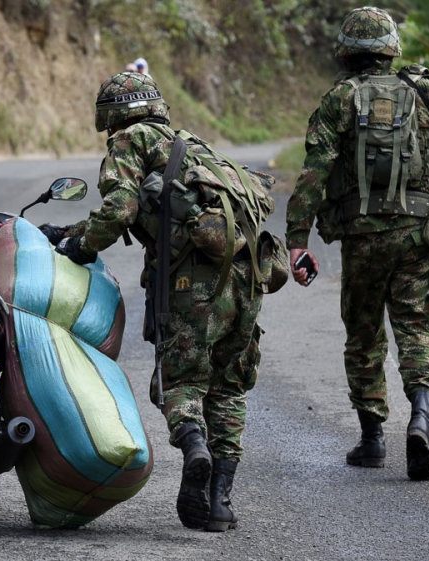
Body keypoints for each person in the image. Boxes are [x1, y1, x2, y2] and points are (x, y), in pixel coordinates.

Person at [40, 71, 275, 531]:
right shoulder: (194, 148)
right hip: (248, 278)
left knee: (181, 379)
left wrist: (81, 249)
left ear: (113, 115)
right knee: (229, 385)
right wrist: (70, 232)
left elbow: (121, 209)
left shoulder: (130, 141)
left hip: (192, 282)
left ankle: (194, 447)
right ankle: (220, 502)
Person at [285, 7, 429, 480]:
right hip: (420, 233)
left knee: (364, 335)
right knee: (417, 328)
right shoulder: (424, 91)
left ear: (346, 52)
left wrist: (297, 239)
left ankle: (372, 439)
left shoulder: (339, 98)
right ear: (391, 48)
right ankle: (420, 418)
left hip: (362, 238)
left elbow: (314, 174)